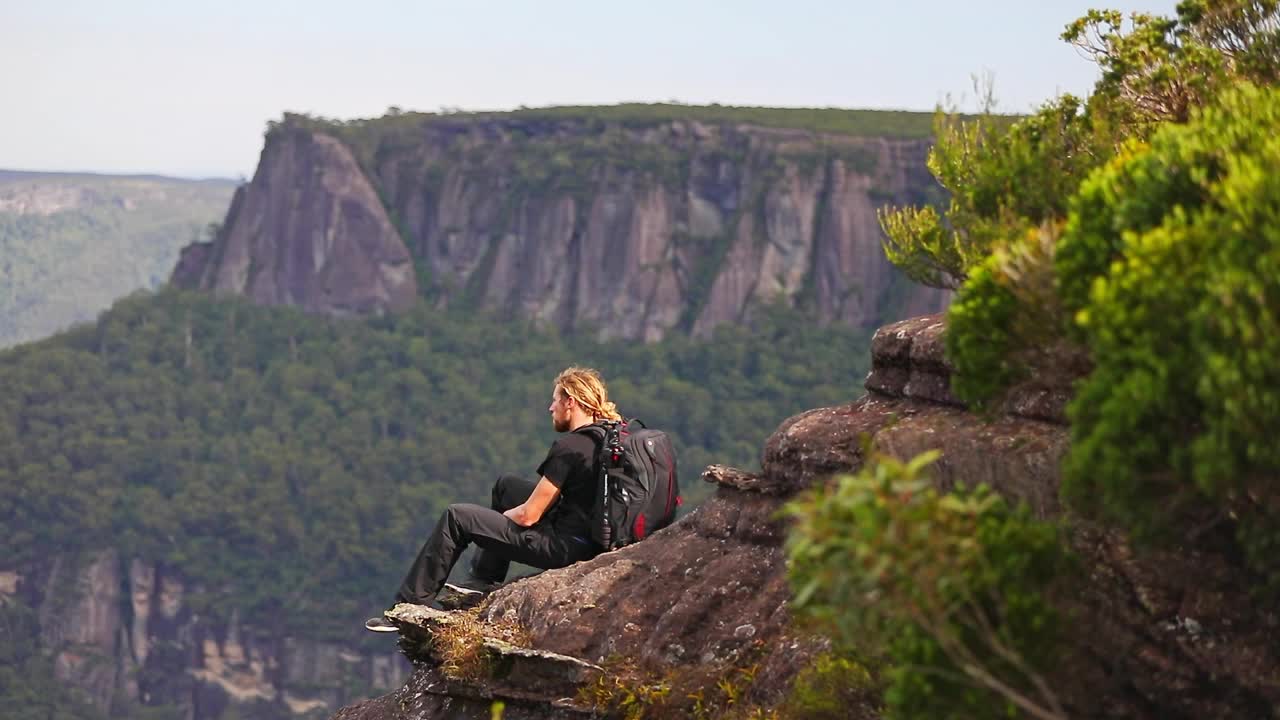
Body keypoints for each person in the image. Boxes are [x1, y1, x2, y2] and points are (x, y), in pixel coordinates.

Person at [365, 366, 618, 632]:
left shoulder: (570, 448)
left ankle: (410, 606)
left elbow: (529, 515)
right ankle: (482, 581)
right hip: (589, 537)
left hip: (564, 548)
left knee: (458, 518)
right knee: (506, 486)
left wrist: (494, 522)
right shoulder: (606, 438)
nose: (550, 408)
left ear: (570, 402)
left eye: (555, 400)